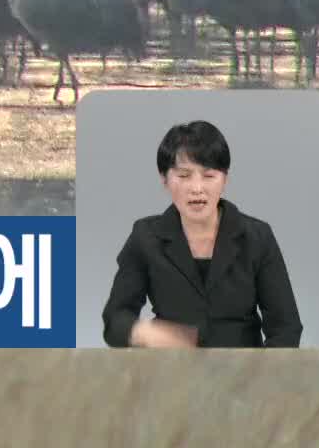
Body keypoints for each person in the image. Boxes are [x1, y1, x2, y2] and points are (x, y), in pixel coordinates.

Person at [101, 120, 304, 348]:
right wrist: (142, 332)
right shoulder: (145, 237)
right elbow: (114, 321)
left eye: (208, 176)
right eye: (184, 175)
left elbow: (286, 327)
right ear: (164, 179)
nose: (197, 188)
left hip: (244, 376)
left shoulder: (257, 236)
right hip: (173, 374)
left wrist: (262, 379)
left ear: (224, 179)